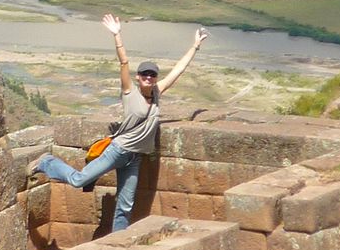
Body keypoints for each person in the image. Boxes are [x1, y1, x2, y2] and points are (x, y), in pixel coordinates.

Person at [30, 13, 209, 232]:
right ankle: (48, 163)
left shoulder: (158, 92)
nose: (149, 77)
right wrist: (117, 35)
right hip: (117, 151)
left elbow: (178, 71)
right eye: (144, 74)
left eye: (152, 74)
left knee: (125, 204)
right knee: (78, 180)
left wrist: (195, 46)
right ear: (137, 77)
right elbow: (124, 62)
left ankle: (117, 243)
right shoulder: (129, 92)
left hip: (134, 158)